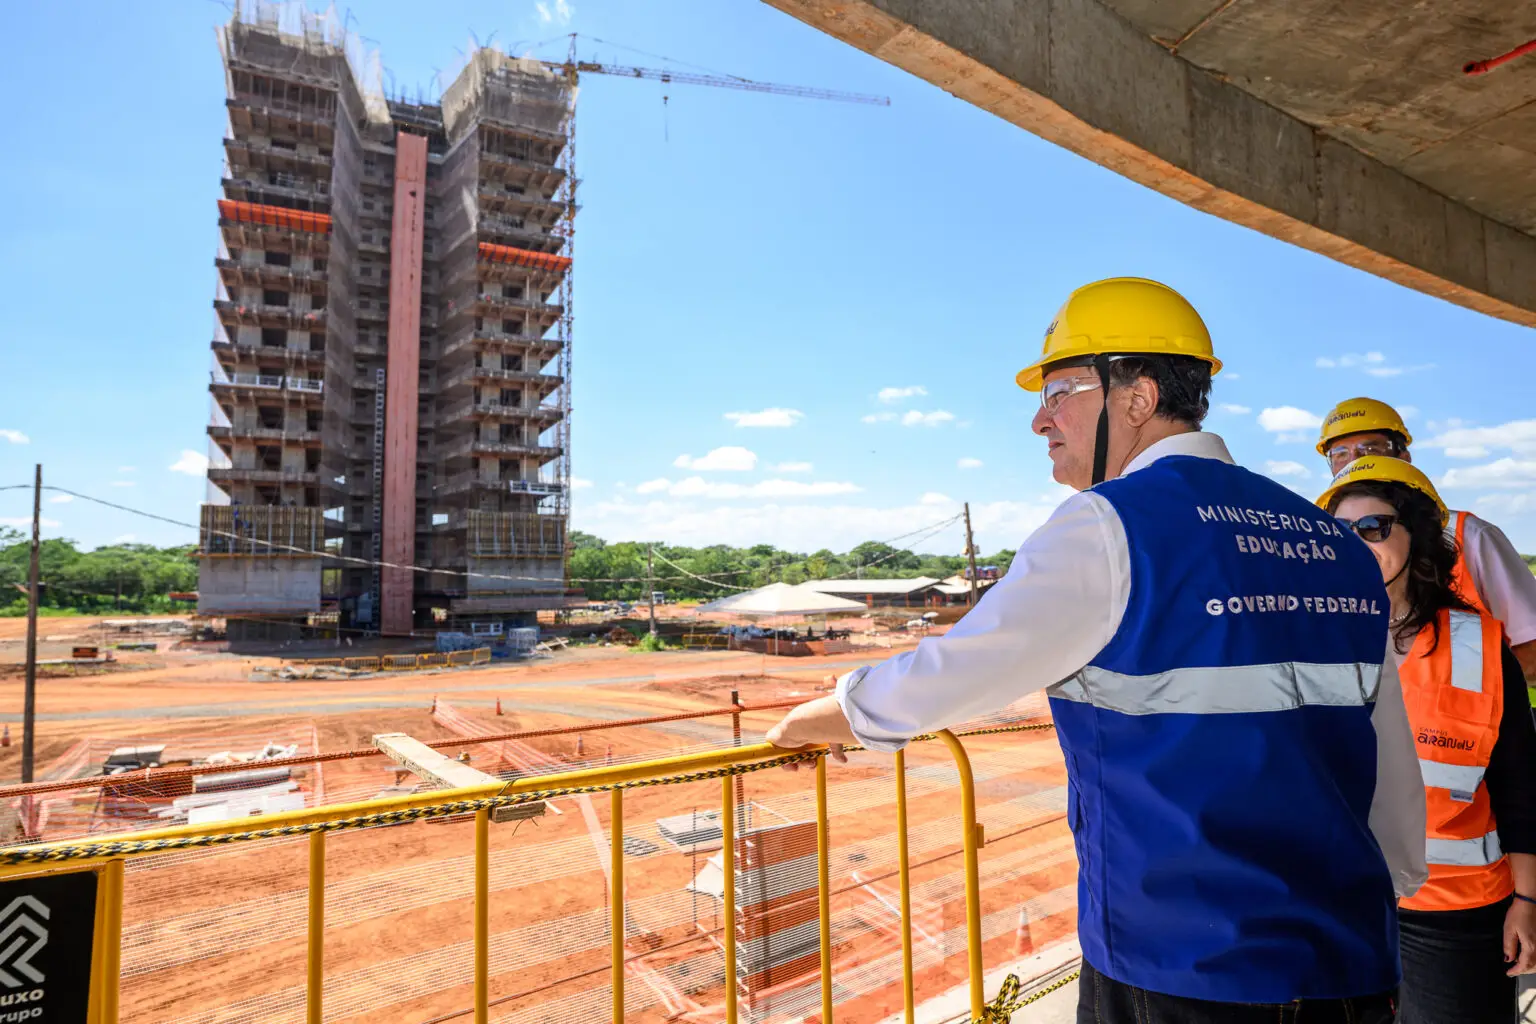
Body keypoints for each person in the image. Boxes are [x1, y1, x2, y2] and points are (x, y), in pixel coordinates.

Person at [766, 277, 1426, 1022]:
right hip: (1352, 960)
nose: (1040, 420)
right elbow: (1387, 755)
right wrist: (1391, 884)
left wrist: (805, 723)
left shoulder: (1108, 525)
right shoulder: (1332, 541)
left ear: (1137, 398)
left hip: (1181, 968)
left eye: (1061, 390)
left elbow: (951, 675)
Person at [1318, 456, 1536, 1023]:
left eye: (1374, 527)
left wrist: (1530, 899)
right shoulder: (1317, 641)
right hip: (1342, 901)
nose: (1356, 543)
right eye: (1342, 532)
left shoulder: (1482, 648)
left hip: (1454, 911)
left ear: (1415, 533)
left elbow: (1520, 786)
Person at [1317, 398, 1536, 681]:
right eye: (1340, 453)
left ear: (1404, 457)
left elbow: (1530, 648)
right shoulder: (1328, 541)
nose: (1358, 461)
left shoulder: (1470, 535)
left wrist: (1462, 689)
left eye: (1371, 448)